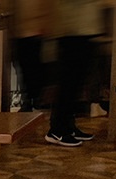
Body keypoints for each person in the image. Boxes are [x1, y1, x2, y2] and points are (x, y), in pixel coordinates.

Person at [45, 0, 105, 147]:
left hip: (83, 29)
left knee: (77, 83)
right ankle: (57, 130)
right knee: (68, 83)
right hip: (71, 30)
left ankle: (68, 126)